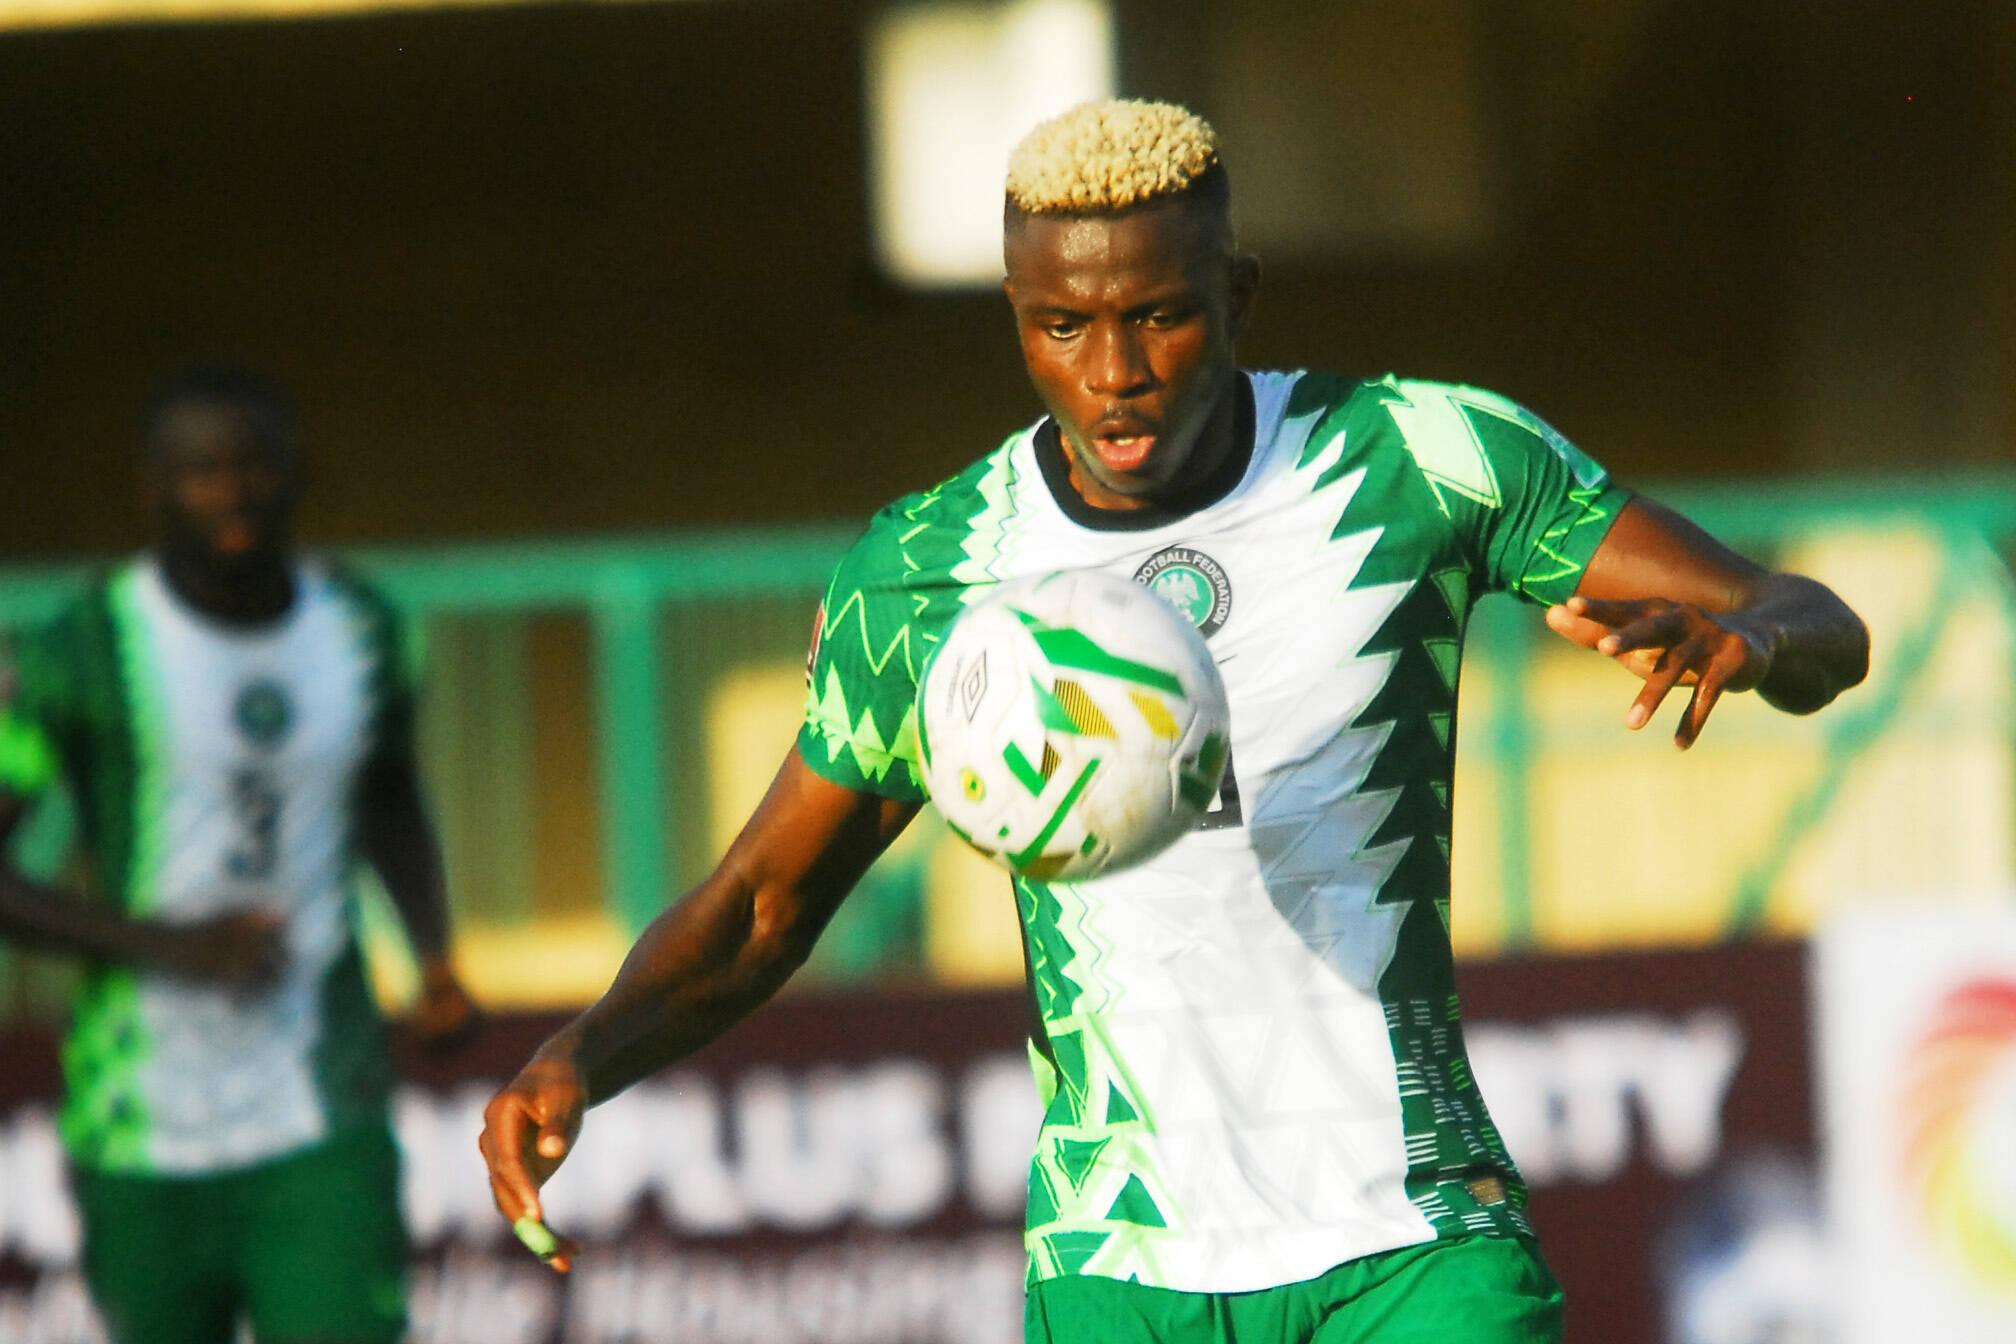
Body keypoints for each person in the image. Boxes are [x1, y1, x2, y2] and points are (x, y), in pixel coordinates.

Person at [478, 101, 1868, 1342]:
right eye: (1061, 325)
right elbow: (764, 904)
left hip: (1411, 1245)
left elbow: (1816, 619)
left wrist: (1750, 641)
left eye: (1158, 314)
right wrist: (580, 1058)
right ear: (1018, 318)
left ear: (1237, 292)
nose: (1113, 371)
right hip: (1117, 1263)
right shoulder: (930, 574)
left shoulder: (1422, 457)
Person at [0, 365, 480, 1344]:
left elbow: (388, 792)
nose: (233, 493)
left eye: (254, 465)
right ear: (153, 488)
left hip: (321, 1106)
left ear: (298, 472)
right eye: (201, 472)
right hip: (140, 1124)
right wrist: (167, 945)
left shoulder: (367, 631)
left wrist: (435, 957)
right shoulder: (76, 650)